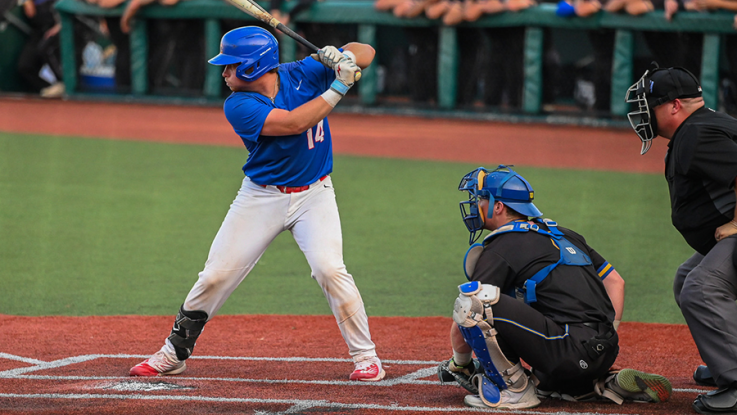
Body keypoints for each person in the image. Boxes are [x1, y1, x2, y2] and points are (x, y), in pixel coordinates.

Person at [129, 26, 386, 382]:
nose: (224, 73)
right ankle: (174, 353)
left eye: (231, 66)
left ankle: (366, 357)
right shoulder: (239, 104)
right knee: (216, 275)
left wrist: (342, 55)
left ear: (253, 67)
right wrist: (340, 85)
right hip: (260, 197)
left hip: (315, 195)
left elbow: (367, 50)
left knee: (330, 269)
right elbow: (295, 123)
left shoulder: (304, 72)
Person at [437, 165, 672, 409]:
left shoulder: (503, 244)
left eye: (481, 199)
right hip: (602, 349)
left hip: (565, 349)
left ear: (499, 207)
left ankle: (515, 391)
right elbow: (615, 282)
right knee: (544, 380)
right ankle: (591, 383)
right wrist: (603, 338)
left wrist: (459, 362)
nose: (475, 205)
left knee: (473, 302)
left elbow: (470, 310)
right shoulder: (563, 234)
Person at [625, 65, 737, 414]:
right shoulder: (701, 126)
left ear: (674, 105)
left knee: (702, 288)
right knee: (688, 277)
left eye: (650, 104)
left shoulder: (696, 134)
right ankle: (727, 360)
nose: (642, 112)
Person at [17, 0, 64, 97]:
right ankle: (53, 89)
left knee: (47, 49)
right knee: (25, 66)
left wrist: (61, 25)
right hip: (39, 30)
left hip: (59, 30)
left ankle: (66, 85)